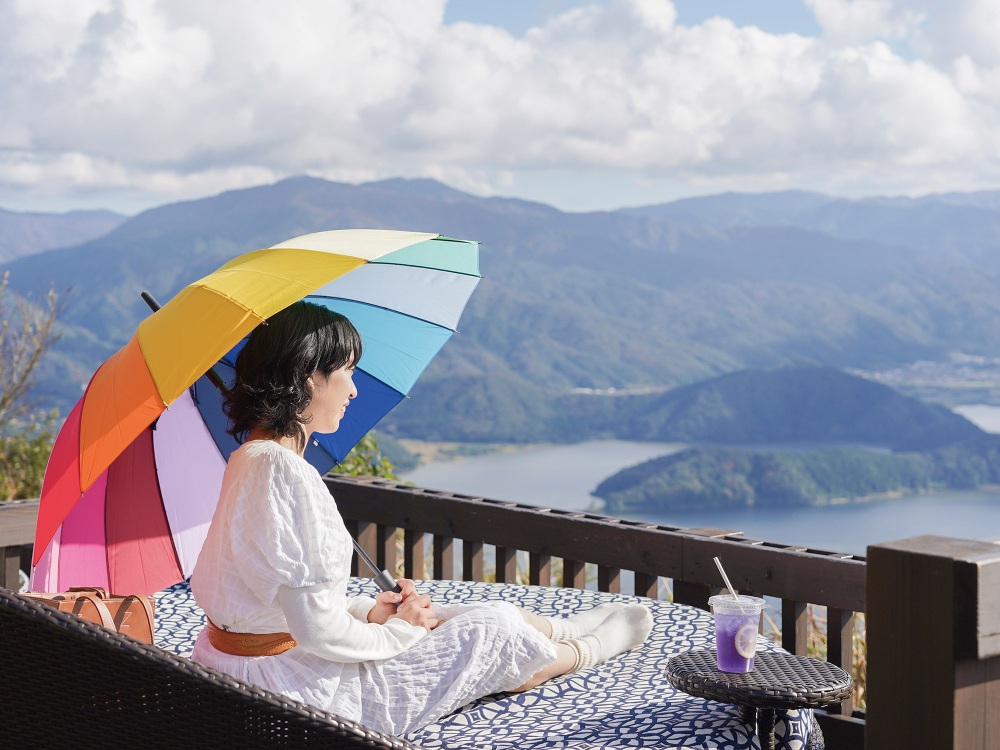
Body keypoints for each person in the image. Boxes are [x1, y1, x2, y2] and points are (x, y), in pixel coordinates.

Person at [190, 301, 652, 736]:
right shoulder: (283, 473)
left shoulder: (249, 460)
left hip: (236, 671)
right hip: (292, 697)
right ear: (311, 377)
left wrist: (375, 612)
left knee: (446, 613)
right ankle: (587, 649)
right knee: (490, 630)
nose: (353, 389)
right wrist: (401, 630)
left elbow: (271, 604)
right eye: (347, 371)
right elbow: (316, 631)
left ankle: (571, 628)